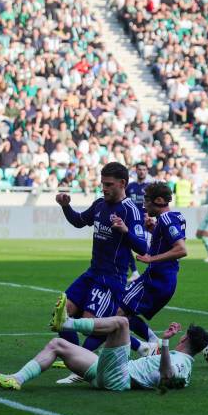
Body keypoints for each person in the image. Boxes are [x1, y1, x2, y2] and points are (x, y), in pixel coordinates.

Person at [0, 295, 208, 391]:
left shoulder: (183, 363)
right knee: (56, 345)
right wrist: (163, 342)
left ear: (186, 339)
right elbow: (157, 371)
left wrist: (165, 346)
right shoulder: (184, 361)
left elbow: (167, 376)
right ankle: (16, 379)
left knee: (122, 322)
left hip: (120, 376)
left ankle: (67, 322)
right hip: (110, 372)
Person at [54, 162, 148, 381]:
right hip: (91, 274)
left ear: (122, 183)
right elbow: (79, 222)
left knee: (90, 325)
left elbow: (143, 247)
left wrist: (125, 231)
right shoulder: (99, 204)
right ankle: (78, 362)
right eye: (102, 184)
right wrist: (66, 206)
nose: (104, 188)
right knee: (61, 314)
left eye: (109, 184)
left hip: (111, 279)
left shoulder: (130, 210)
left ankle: (84, 365)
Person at [121, 182, 188, 357]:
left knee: (115, 314)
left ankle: (143, 348)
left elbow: (181, 249)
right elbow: (166, 243)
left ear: (158, 200)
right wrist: (154, 229)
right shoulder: (175, 217)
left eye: (147, 200)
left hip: (156, 279)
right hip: (164, 279)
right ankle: (153, 342)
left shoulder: (166, 219)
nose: (144, 205)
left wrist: (152, 258)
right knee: (124, 313)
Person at [125, 162, 152, 281]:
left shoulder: (150, 187)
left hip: (145, 222)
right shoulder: (130, 187)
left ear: (147, 171)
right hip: (131, 221)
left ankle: (153, 270)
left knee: (149, 248)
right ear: (136, 171)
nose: (142, 171)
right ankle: (135, 272)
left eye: (144, 169)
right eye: (140, 169)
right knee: (126, 246)